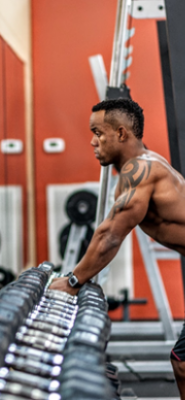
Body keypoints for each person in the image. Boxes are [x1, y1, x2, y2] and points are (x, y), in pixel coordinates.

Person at [48, 98, 185, 397]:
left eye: (98, 132)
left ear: (121, 134)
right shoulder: (146, 166)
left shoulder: (141, 171)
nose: (92, 141)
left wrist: (72, 282)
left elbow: (110, 234)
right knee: (182, 362)